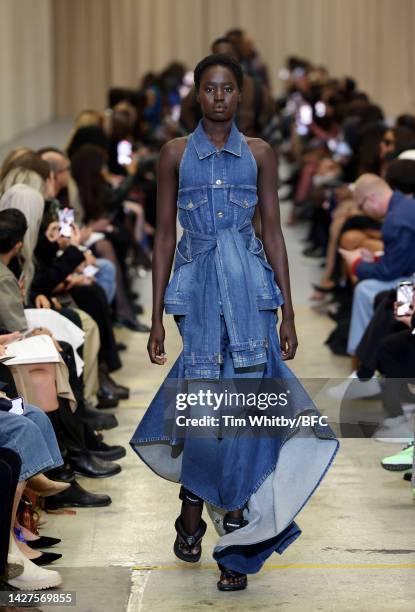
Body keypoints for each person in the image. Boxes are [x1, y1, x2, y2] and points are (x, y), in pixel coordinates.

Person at [130, 54, 338, 592]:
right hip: (198, 293)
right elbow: (162, 237)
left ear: (239, 96)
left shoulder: (261, 154)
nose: (219, 97)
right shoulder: (175, 154)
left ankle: (236, 537)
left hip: (251, 293)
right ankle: (194, 505)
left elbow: (272, 231)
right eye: (209, 89)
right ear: (196, 95)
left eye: (227, 89)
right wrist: (155, 318)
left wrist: (289, 308)